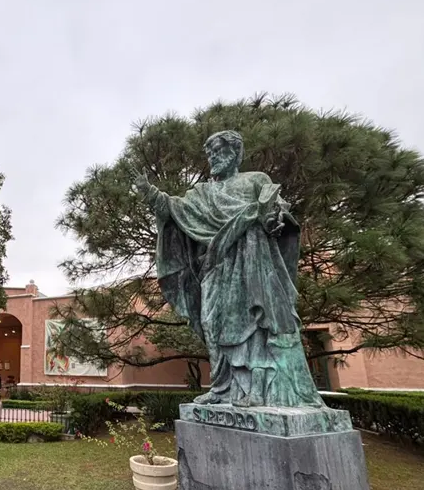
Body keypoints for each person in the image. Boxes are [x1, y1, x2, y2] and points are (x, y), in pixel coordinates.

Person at [133, 130, 324, 409]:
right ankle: (222, 388)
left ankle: (258, 391)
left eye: (218, 152)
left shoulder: (255, 180)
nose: (212, 158)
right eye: (209, 153)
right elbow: (174, 209)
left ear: (235, 154)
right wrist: (149, 192)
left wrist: (272, 219)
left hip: (251, 261)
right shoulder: (203, 192)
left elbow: (277, 212)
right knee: (211, 322)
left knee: (255, 323)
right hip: (215, 265)